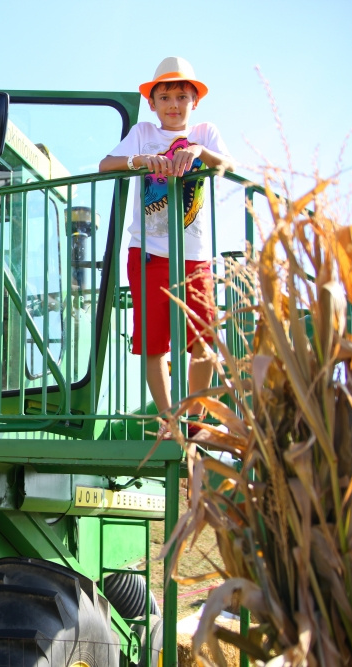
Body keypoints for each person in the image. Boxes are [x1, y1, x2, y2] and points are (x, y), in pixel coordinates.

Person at [98, 56, 233, 432]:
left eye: (182, 97)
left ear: (195, 102)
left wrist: (199, 153)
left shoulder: (204, 133)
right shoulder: (143, 133)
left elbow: (230, 166)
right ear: (153, 103)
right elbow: (105, 165)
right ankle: (169, 417)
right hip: (148, 253)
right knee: (154, 344)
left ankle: (194, 416)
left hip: (195, 257)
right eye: (166, 97)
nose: (174, 104)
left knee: (204, 341)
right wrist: (140, 160)